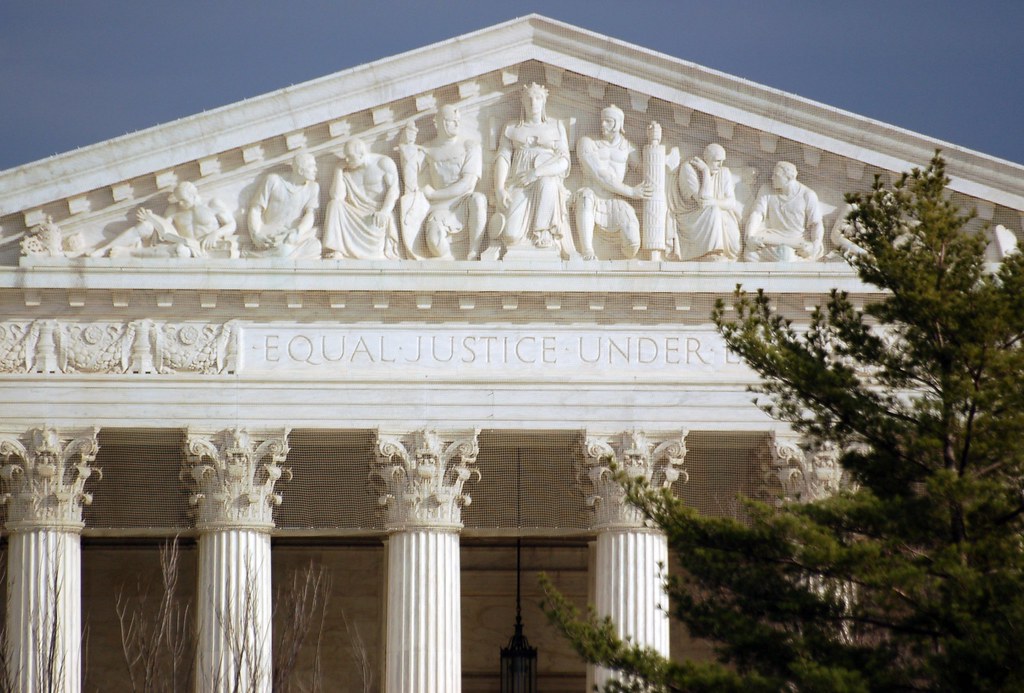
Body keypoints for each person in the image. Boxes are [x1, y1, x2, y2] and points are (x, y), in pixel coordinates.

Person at [490, 83, 574, 257]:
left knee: (548, 183)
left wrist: (536, 173)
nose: (533, 102)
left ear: (544, 101)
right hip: (519, 182)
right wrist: (499, 188)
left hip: (545, 179)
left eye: (538, 98)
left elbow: (564, 161)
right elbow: (503, 158)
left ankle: (542, 231)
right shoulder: (512, 127)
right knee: (511, 236)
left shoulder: (556, 127)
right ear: (522, 101)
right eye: (529, 98)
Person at [396, 105, 486, 260]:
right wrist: (408, 144)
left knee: (478, 199)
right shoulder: (427, 149)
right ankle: (449, 263)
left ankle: (474, 250)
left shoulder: (469, 146)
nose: (457, 125)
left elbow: (468, 183)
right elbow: (411, 178)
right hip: (439, 209)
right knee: (434, 242)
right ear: (438, 123)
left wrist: (434, 194)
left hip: (464, 202)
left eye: (458, 121)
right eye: (451, 121)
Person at [572, 104, 653, 260]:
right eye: (603, 121)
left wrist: (653, 142)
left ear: (619, 124)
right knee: (585, 197)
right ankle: (587, 250)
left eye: (608, 121)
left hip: (615, 201)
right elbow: (599, 174)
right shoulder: (587, 142)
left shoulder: (629, 148)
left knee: (633, 245)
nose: (603, 124)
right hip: (593, 197)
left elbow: (646, 171)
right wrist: (631, 192)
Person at [92, 181, 238, 258]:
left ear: (194, 195)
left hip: (201, 249)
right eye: (178, 200)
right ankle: (104, 249)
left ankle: (129, 253)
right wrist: (151, 218)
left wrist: (215, 234)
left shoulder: (212, 204)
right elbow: (165, 231)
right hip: (183, 242)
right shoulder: (174, 209)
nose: (180, 203)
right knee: (146, 226)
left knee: (181, 252)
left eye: (184, 200)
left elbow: (232, 224)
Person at [322, 137, 401, 260]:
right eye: (345, 156)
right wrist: (338, 170)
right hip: (354, 215)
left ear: (361, 154)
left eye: (350, 156)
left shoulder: (383, 163)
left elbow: (394, 190)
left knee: (377, 222)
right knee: (333, 204)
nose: (346, 160)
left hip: (376, 215)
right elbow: (337, 197)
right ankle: (337, 250)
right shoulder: (346, 170)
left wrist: (385, 211)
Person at [669, 143, 742, 261]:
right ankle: (712, 253)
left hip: (719, 214)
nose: (720, 165)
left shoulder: (724, 172)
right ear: (706, 158)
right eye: (717, 161)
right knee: (713, 211)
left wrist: (713, 202)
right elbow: (702, 201)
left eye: (722, 161)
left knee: (736, 248)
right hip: (690, 217)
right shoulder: (688, 168)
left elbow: (731, 202)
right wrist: (705, 172)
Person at [743, 161, 824, 262]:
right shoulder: (766, 189)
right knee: (749, 254)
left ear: (789, 178)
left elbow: (816, 224)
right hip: (771, 239)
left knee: (785, 257)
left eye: (776, 175)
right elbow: (757, 214)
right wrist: (749, 237)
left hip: (796, 241)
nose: (772, 178)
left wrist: (813, 247)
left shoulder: (807, 195)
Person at [247, 152, 322, 259]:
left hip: (294, 237)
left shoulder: (313, 187)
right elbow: (255, 209)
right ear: (300, 170)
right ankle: (254, 254)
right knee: (284, 251)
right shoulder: (273, 180)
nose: (316, 169)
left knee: (316, 246)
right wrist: (255, 235)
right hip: (272, 236)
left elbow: (310, 215)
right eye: (311, 166)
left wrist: (297, 232)